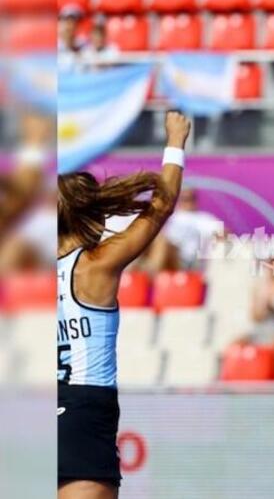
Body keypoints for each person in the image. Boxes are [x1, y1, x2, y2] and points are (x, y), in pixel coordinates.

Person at [57, 111, 191, 499]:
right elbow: (160, 208)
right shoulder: (93, 266)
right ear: (92, 218)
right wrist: (175, 143)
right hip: (85, 411)